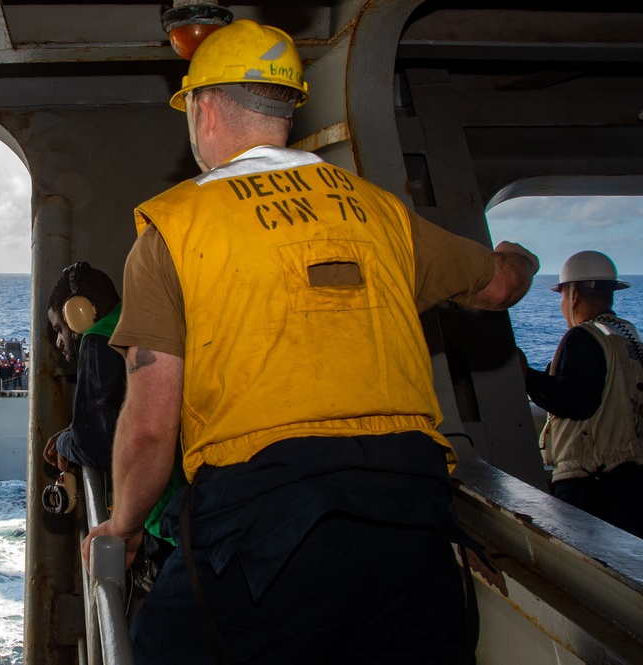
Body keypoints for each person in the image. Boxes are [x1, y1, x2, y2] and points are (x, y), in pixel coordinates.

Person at [81, 19, 539, 664]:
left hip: (264, 522)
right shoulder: (381, 212)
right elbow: (498, 287)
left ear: (204, 109)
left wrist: (124, 526)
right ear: (288, 110)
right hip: (413, 513)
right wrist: (522, 260)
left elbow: (153, 425)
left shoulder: (174, 228)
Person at [521, 250, 643, 538]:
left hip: (590, 480)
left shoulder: (583, 337)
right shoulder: (628, 336)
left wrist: (526, 376)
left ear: (573, 294)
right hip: (629, 478)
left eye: (563, 296)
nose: (563, 305)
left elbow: (576, 401)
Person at [43, 262, 126, 472]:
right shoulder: (128, 323)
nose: (59, 342)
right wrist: (73, 430)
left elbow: (96, 446)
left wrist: (63, 444)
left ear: (78, 312)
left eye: (59, 329)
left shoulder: (98, 338)